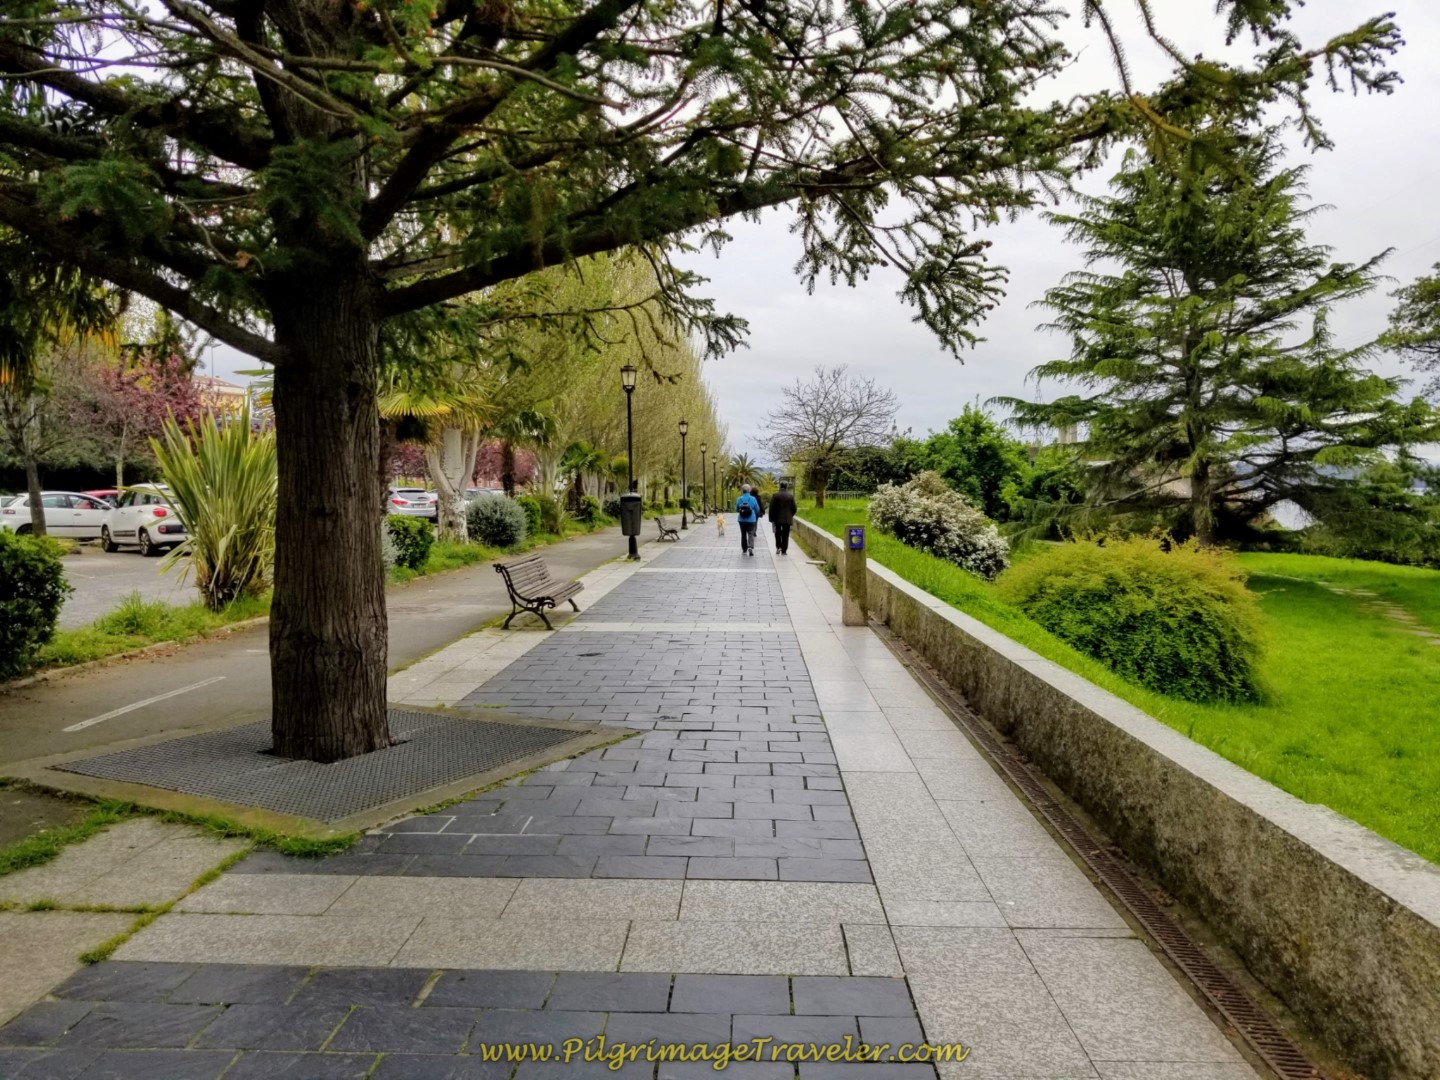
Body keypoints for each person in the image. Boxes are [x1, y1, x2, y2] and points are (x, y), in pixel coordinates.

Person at [768, 480, 797, 555]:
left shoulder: (775, 495)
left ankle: (778, 547)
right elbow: (794, 508)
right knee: (786, 534)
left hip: (777, 518)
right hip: (787, 518)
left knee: (777, 533)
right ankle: (784, 550)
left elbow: (771, 508)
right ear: (786, 486)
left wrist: (771, 518)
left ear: (780, 486)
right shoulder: (790, 496)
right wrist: (790, 515)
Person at [735, 484, 761, 556]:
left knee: (743, 534)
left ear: (742, 491)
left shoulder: (739, 499)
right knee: (750, 533)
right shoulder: (753, 499)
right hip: (751, 519)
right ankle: (750, 547)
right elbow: (757, 509)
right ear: (749, 490)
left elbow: (736, 509)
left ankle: (744, 549)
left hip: (742, 520)